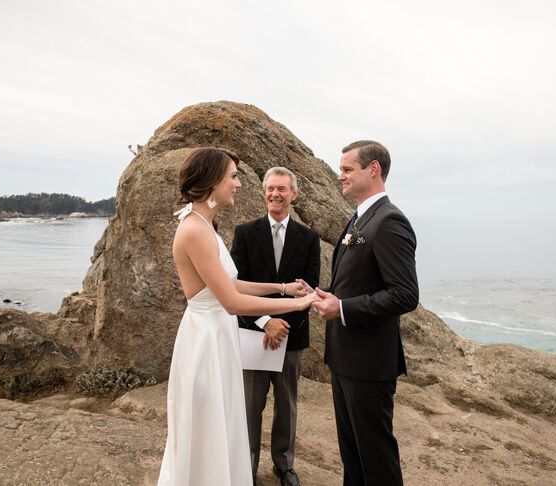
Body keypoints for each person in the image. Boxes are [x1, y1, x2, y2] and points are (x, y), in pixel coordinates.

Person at [157, 147, 320, 486]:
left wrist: (284, 288)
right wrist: (296, 305)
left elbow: (232, 283)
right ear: (213, 180)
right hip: (206, 341)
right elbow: (231, 301)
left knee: (223, 420)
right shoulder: (194, 230)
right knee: (208, 423)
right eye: (233, 176)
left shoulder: (204, 224)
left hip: (218, 335)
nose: (239, 184)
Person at [312, 140, 419, 486]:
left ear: (373, 170)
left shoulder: (389, 221)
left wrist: (342, 308)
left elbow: (405, 294)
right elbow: (360, 281)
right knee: (353, 458)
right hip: (345, 358)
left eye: (347, 169)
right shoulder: (359, 217)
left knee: (376, 460)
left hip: (370, 363)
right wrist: (329, 295)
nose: (339, 175)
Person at [230, 167, 320, 486]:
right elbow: (235, 286)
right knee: (250, 407)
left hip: (292, 337)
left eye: (282, 189)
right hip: (253, 334)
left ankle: (284, 466)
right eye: (270, 188)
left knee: (287, 405)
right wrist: (266, 322)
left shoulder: (308, 239)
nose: (274, 194)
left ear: (293, 194)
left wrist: (282, 325)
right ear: (263, 192)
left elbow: (309, 289)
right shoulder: (244, 233)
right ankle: (246, 467)